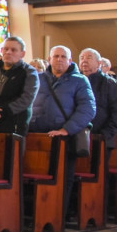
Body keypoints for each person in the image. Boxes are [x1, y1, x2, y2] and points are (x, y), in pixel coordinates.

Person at [29, 46, 96, 222]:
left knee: (63, 179)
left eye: (63, 56)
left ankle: (57, 216)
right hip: (38, 138)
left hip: (65, 139)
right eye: (55, 56)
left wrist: (66, 129)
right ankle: (34, 216)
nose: (59, 59)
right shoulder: (39, 78)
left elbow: (88, 109)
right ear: (49, 59)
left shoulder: (80, 81)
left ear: (70, 60)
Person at [78, 48, 117, 155]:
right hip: (76, 136)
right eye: (81, 58)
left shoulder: (111, 84)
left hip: (101, 138)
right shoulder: (75, 82)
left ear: (99, 63)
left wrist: (105, 134)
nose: (84, 61)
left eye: (89, 58)